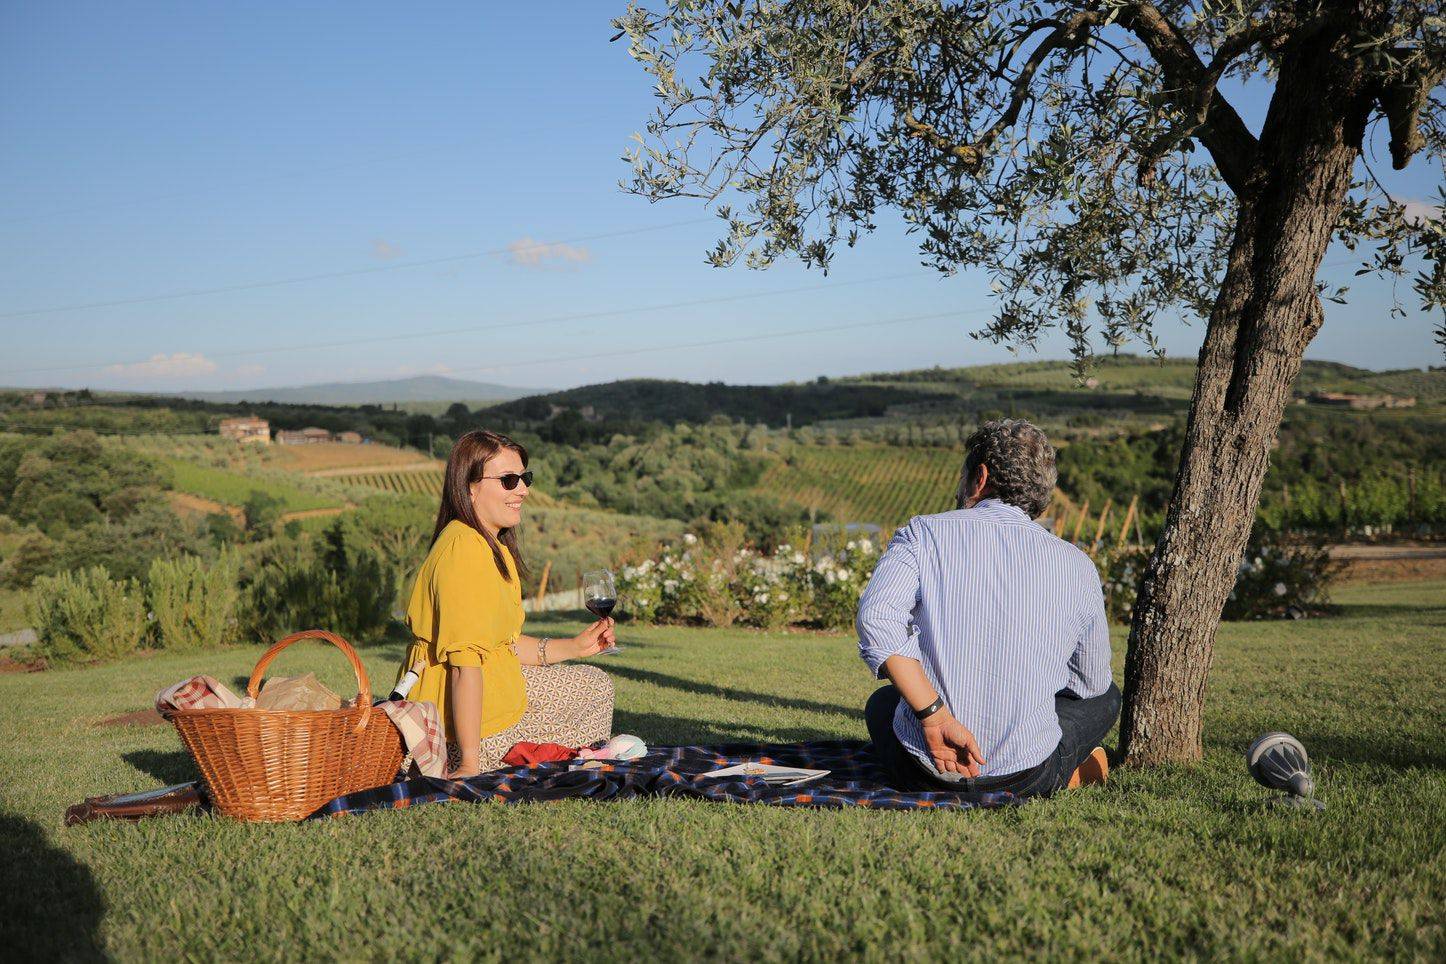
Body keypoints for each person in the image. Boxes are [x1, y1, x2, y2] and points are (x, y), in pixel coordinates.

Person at [857, 418, 1121, 798]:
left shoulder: (923, 533)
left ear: (978, 478)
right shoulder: (1076, 564)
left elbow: (877, 619)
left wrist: (935, 716)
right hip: (1025, 776)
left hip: (921, 770)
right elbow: (1089, 682)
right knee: (1108, 696)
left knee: (883, 702)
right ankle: (1067, 768)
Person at [396, 429, 616, 777]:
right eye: (509, 480)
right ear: (470, 486)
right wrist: (467, 763)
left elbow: (505, 646)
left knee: (593, 684)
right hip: (459, 723)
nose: (523, 490)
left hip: (494, 694)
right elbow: (464, 665)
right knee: (592, 690)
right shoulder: (464, 550)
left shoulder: (490, 545)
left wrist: (577, 646)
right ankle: (497, 763)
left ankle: (550, 761)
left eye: (524, 478)